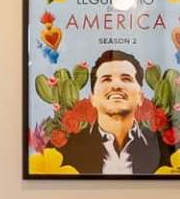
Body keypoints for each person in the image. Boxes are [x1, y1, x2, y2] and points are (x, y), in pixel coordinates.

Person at [55, 47, 167, 175]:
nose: (116, 86)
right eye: (106, 79)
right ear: (93, 99)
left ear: (140, 97)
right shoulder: (66, 149)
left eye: (126, 79)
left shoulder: (163, 148)